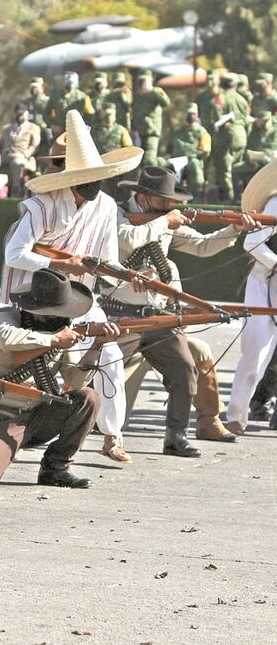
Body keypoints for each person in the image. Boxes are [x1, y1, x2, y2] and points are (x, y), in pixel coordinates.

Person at [0, 109, 143, 464]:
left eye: (97, 177)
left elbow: (107, 263)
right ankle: (4, 427)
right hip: (32, 300)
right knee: (13, 361)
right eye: (84, 178)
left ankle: (112, 435)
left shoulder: (107, 207)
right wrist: (59, 263)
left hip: (79, 300)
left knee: (108, 352)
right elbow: (13, 254)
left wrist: (131, 277)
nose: (92, 185)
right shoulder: (39, 206)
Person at [109, 167, 257, 451]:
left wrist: (234, 228)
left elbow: (202, 246)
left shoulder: (164, 219)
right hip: (118, 314)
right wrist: (165, 220)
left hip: (157, 316)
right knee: (98, 375)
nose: (170, 205)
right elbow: (126, 239)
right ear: (142, 196)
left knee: (184, 367)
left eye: (170, 201)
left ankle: (176, 436)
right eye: (164, 200)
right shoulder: (114, 215)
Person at [0, 269, 116, 489]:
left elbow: (75, 380)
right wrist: (53, 340)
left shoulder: (62, 330)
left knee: (88, 397)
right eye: (51, 312)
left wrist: (97, 347)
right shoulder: (6, 317)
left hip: (39, 415)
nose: (58, 317)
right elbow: (7, 340)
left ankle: (56, 469)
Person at [225, 159, 277, 434]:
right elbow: (253, 242)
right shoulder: (276, 203)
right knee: (256, 353)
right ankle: (236, 415)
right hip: (265, 285)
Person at [0, 102, 42, 198]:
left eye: (21, 113)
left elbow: (35, 146)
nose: (19, 115)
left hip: (23, 159)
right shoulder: (6, 129)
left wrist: (23, 154)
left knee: (16, 163)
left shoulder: (34, 128)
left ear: (27, 113)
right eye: (17, 113)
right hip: (5, 158)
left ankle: (16, 192)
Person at [213, 72, 250, 202]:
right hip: (242, 136)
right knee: (237, 168)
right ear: (235, 85)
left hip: (228, 137)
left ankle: (227, 200)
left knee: (225, 170)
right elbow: (246, 119)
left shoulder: (221, 98)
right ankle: (239, 198)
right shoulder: (242, 99)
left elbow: (217, 119)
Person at [169, 104, 212, 202]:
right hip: (177, 162)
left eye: (193, 114)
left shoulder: (202, 132)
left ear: (197, 115)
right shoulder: (177, 131)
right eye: (188, 114)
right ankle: (174, 201)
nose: (190, 116)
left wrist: (191, 157)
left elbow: (205, 151)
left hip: (193, 162)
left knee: (194, 165)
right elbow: (169, 147)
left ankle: (196, 201)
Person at [132, 70, 171, 167]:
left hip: (152, 132)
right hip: (139, 133)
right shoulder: (137, 96)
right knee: (140, 161)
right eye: (140, 82)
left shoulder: (155, 93)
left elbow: (166, 103)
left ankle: (167, 164)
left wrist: (152, 90)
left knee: (149, 159)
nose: (142, 84)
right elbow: (135, 112)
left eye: (144, 81)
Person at [234, 109, 277, 193]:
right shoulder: (254, 132)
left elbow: (272, 148)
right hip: (253, 162)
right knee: (236, 169)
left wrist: (261, 155)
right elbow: (249, 147)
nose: (263, 123)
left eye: (265, 121)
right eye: (260, 120)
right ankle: (238, 197)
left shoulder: (275, 131)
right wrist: (249, 157)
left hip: (269, 161)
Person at [46, 72, 93, 137]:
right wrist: (52, 126)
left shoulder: (83, 97)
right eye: (67, 82)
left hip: (77, 132)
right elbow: (46, 112)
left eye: (71, 83)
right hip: (59, 132)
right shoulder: (55, 96)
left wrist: (83, 127)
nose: (69, 85)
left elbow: (90, 115)